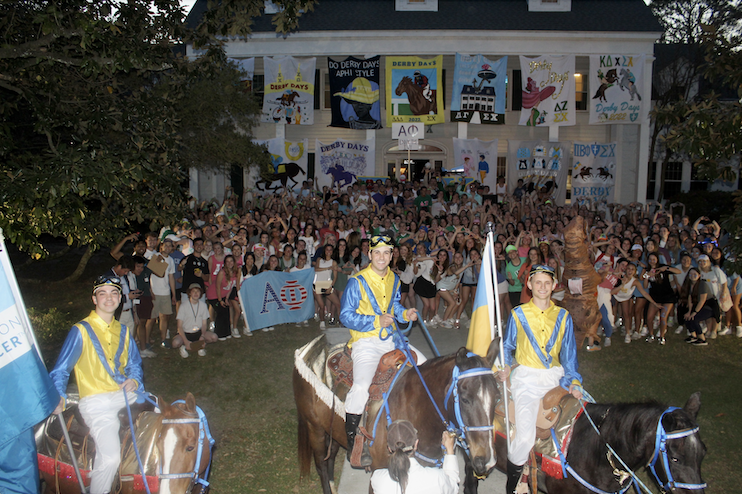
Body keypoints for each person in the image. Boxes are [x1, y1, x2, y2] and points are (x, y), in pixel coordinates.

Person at [49, 276, 144, 494]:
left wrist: (135, 380)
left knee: (160, 410)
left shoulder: (124, 330)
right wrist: (58, 395)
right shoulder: (81, 330)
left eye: (113, 293)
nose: (109, 298)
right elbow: (61, 369)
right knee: (110, 459)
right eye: (103, 293)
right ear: (94, 298)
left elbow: (135, 365)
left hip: (122, 394)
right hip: (96, 401)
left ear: (120, 298)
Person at [339, 235, 425, 466]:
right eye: (377, 252)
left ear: (391, 255)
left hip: (391, 339)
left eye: (387, 253)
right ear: (370, 254)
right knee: (360, 388)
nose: (382, 257)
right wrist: (377, 321)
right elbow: (345, 316)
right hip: (366, 341)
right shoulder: (356, 281)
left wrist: (405, 313)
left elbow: (394, 305)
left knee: (424, 368)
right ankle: (353, 443)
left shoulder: (394, 279)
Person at [497, 264, 582, 494]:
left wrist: (574, 381)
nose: (543, 287)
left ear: (554, 286)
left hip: (556, 379)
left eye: (547, 283)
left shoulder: (563, 316)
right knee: (525, 437)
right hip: (526, 379)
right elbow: (507, 346)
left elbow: (569, 355)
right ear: (529, 285)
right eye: (538, 282)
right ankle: (513, 486)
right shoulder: (518, 313)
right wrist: (504, 365)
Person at [370, 420, 459, 494]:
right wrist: (449, 450)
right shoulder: (437, 478)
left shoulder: (377, 478)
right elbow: (453, 485)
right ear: (416, 444)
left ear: (389, 448)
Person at [173, 283, 218, 358]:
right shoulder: (183, 306)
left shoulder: (203, 306)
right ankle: (184, 346)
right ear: (189, 293)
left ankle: (199, 345)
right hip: (186, 332)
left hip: (199, 332)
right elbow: (179, 327)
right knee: (175, 343)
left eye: (198, 291)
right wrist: (186, 341)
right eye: (193, 291)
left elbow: (204, 324)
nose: (196, 293)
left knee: (214, 337)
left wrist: (202, 336)